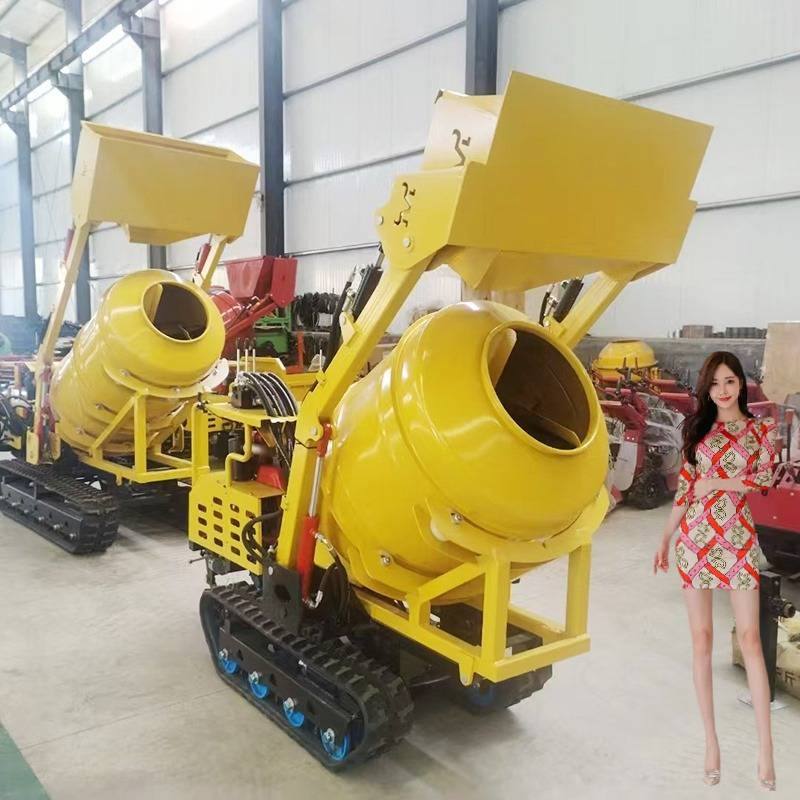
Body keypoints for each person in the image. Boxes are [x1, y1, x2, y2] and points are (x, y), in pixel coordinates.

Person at [653, 350, 778, 790]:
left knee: (751, 641)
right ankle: (711, 743)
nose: (722, 391)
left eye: (729, 381)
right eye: (714, 384)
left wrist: (718, 482)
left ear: (741, 383)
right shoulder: (697, 430)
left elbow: (765, 479)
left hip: (737, 540)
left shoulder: (760, 430)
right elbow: (687, 491)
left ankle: (765, 749)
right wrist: (666, 536)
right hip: (695, 541)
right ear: (706, 389)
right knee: (701, 640)